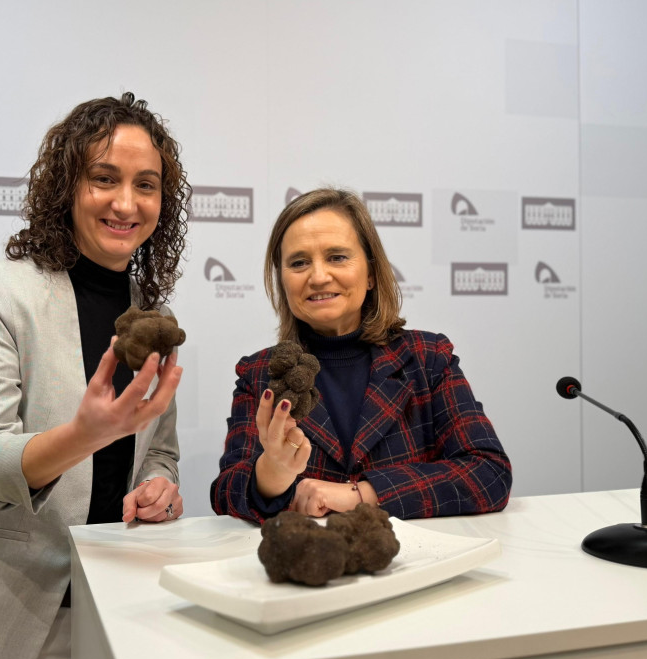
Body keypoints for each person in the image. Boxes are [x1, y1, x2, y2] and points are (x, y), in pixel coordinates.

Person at [0, 93, 190, 659]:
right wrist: (81, 435)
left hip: (122, 613)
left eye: (146, 185)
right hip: (6, 622)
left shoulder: (151, 314)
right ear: (66, 185)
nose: (126, 203)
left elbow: (159, 452)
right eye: (104, 178)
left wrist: (160, 486)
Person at [211, 188, 511, 523]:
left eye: (337, 257)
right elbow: (227, 493)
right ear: (282, 281)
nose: (319, 276)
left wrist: (362, 495)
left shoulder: (428, 359)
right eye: (299, 262)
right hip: (310, 568)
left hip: (411, 566)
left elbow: (489, 474)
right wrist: (274, 472)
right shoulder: (259, 372)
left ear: (370, 274)